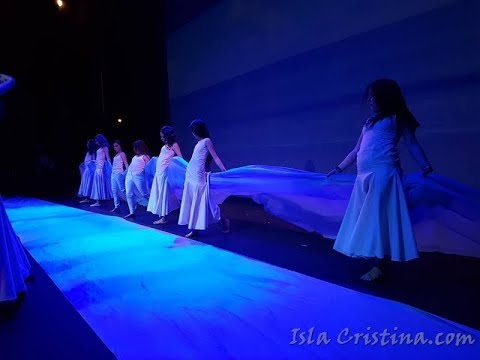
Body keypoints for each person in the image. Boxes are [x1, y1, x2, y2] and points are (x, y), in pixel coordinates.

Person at [328, 79, 433, 281]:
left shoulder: (397, 118)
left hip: (384, 173)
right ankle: (373, 259)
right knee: (367, 218)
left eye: (373, 97)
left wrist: (425, 165)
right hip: (364, 176)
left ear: (385, 97)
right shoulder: (369, 122)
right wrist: (339, 167)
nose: (369, 101)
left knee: (377, 218)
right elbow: (356, 150)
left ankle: (379, 265)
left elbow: (411, 143)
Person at [178, 119, 230, 238]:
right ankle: (195, 229)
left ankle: (223, 220)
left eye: (193, 131)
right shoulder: (199, 143)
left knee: (204, 201)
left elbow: (215, 157)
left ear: (198, 131)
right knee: (194, 201)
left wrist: (223, 169)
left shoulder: (207, 141)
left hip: (198, 174)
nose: (192, 134)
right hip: (191, 172)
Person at [147, 126, 183, 224]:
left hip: (165, 173)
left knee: (163, 194)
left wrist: (171, 164)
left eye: (162, 136)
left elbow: (180, 158)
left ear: (167, 136)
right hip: (159, 172)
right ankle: (162, 216)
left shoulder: (174, 145)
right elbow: (164, 157)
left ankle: (163, 218)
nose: (161, 138)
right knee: (160, 193)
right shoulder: (164, 146)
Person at [124, 140, 150, 218]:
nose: (134, 149)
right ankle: (132, 212)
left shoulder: (145, 157)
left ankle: (155, 205)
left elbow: (149, 169)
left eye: (136, 148)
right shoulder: (134, 157)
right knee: (128, 193)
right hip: (130, 174)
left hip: (138, 176)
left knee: (144, 193)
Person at [89, 134, 113, 207]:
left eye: (96, 140)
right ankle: (98, 200)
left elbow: (108, 157)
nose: (95, 142)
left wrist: (110, 167)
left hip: (100, 168)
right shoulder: (99, 148)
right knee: (97, 184)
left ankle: (98, 201)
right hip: (97, 167)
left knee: (98, 184)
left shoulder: (105, 148)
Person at [110, 140, 129, 212]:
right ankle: (116, 206)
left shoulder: (122, 154)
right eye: (114, 146)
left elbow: (126, 164)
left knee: (122, 189)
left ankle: (131, 203)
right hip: (113, 173)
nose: (115, 148)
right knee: (114, 190)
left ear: (120, 146)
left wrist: (125, 173)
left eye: (116, 146)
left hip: (118, 173)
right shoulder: (115, 155)